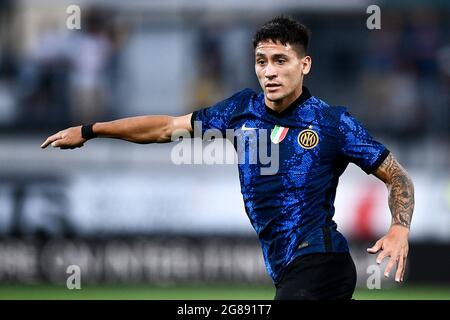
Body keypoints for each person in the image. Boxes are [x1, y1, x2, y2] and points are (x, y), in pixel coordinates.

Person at [41, 16, 414, 300]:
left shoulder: (332, 122)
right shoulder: (241, 110)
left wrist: (399, 227)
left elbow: (397, 175)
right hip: (287, 268)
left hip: (320, 262)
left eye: (281, 60)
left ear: (305, 65)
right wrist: (90, 130)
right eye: (261, 60)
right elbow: (164, 128)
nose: (269, 71)